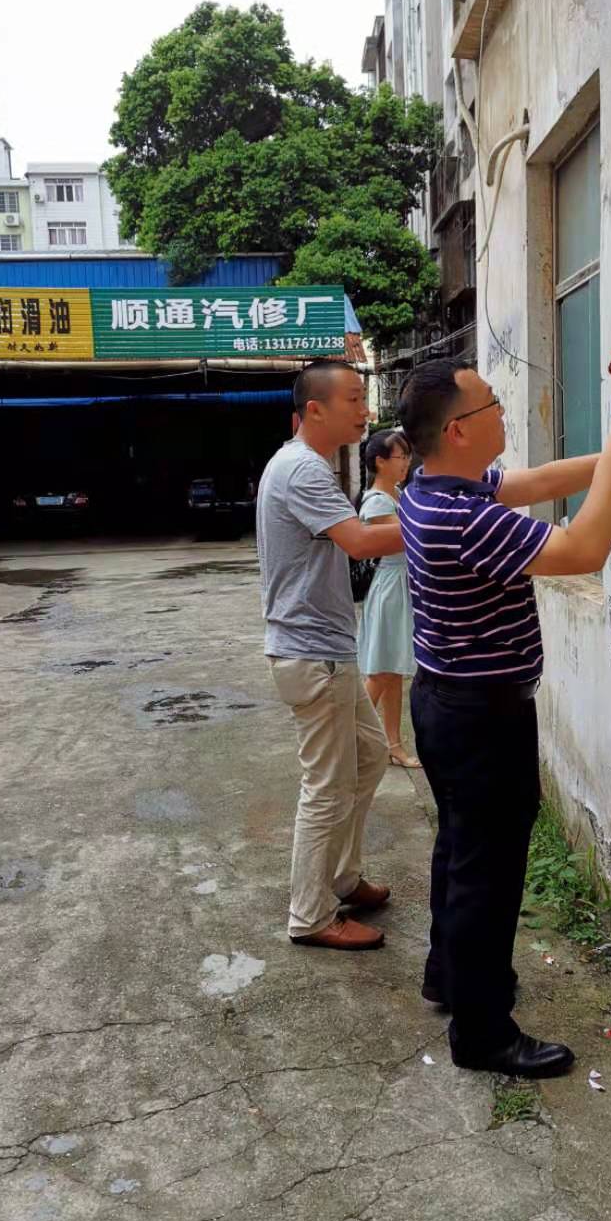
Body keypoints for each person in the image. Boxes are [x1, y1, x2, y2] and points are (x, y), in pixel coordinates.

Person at [397, 357, 611, 1078]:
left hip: (447, 704)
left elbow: (541, 481)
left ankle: (450, 978)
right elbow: (582, 551)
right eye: (491, 404)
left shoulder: (431, 485)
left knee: (461, 853)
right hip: (481, 720)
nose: (502, 412)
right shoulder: (463, 519)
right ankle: (482, 1033)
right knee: (487, 875)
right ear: (459, 431)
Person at [257, 359, 405, 951]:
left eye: (364, 398)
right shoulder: (302, 469)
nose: (365, 411)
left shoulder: (305, 465)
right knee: (326, 786)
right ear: (314, 409)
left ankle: (342, 876)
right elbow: (363, 541)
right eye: (353, 399)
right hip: (312, 654)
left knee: (369, 758)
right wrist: (450, 518)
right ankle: (311, 914)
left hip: (325, 650)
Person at [356, 429, 420, 770]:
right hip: (390, 588)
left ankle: (393, 745)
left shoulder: (397, 494)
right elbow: (412, 535)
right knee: (381, 672)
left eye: (408, 456)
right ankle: (348, 740)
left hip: (400, 586)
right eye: (400, 457)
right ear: (380, 462)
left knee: (393, 671)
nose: (406, 463)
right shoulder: (377, 503)